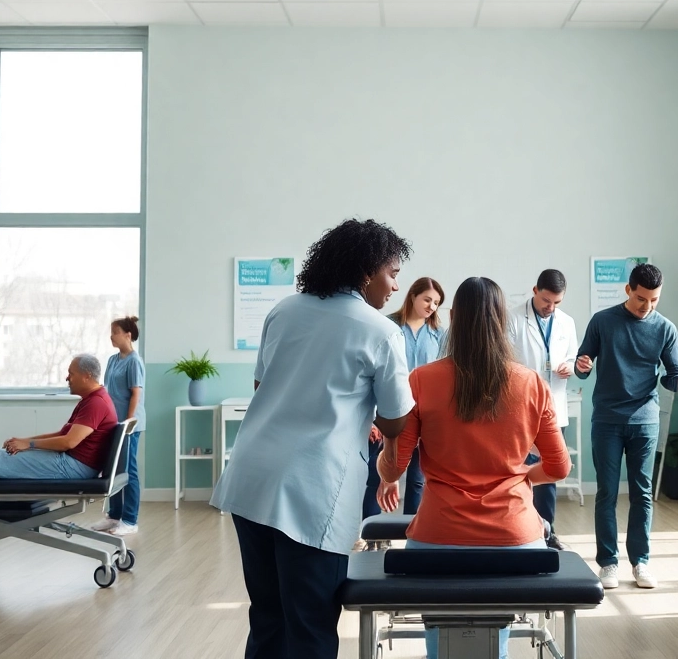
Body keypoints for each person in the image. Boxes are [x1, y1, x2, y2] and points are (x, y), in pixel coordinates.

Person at [209, 219, 415, 659]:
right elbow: (397, 419)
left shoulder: (284, 310)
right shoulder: (381, 331)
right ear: (366, 271)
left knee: (268, 616)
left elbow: (263, 388)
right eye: (392, 273)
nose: (396, 286)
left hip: (252, 476)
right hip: (311, 485)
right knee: (310, 623)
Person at [377, 276, 570, 659]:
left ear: (453, 318)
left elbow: (393, 471)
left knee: (443, 629)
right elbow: (559, 467)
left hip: (438, 536)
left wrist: (389, 434)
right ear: (502, 322)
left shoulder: (423, 380)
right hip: (515, 539)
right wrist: (524, 478)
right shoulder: (531, 383)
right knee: (492, 620)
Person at [574, 263, 678, 590]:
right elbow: (583, 366)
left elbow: (671, 376)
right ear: (628, 290)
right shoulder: (602, 321)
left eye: (654, 300)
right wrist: (582, 365)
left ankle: (640, 562)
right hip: (607, 420)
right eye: (642, 298)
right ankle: (608, 563)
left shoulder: (665, 328)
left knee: (642, 494)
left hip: (645, 420)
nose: (647, 306)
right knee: (607, 493)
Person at [366, 277, 446, 532]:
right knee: (375, 477)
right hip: (387, 413)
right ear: (412, 295)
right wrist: (372, 417)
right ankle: (373, 536)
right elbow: (372, 375)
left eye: (436, 303)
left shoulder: (438, 335)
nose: (431, 306)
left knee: (418, 480)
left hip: (424, 416)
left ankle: (414, 534)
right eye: (427, 299)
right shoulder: (386, 326)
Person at [508, 268, 579, 550]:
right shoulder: (513, 318)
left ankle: (547, 533)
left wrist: (571, 367)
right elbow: (506, 362)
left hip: (553, 407)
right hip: (519, 409)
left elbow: (574, 356)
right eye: (546, 301)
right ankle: (520, 531)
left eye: (557, 303)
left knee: (549, 472)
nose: (551, 308)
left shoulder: (567, 322)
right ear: (535, 290)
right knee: (517, 473)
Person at [93, 316, 146, 537]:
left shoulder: (134, 361)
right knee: (113, 469)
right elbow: (106, 391)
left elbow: (136, 393)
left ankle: (130, 519)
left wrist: (127, 421)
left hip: (129, 424)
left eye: (115, 332)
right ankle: (114, 515)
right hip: (112, 423)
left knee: (129, 470)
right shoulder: (113, 360)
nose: (111, 336)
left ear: (128, 334)